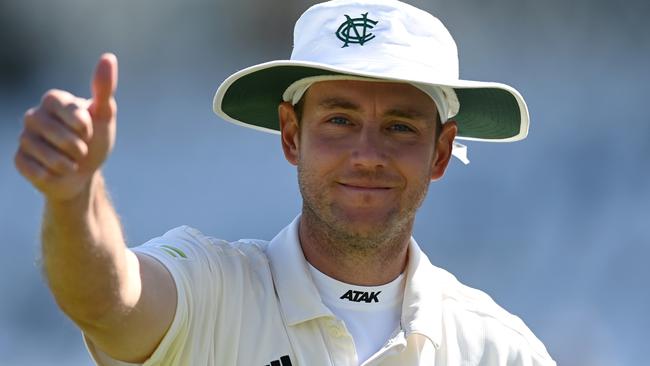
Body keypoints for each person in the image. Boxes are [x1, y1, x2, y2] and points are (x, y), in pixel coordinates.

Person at [14, 0, 555, 365]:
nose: (367, 156)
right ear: (292, 137)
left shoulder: (498, 349)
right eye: (339, 120)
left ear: (440, 152)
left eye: (399, 127)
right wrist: (74, 196)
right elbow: (105, 300)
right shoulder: (210, 290)